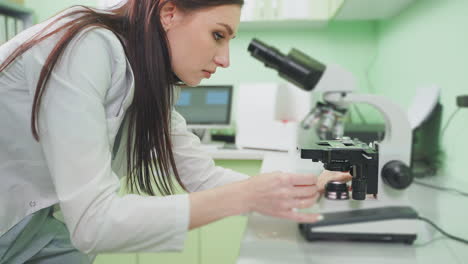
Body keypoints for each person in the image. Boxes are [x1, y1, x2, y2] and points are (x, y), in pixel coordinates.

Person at [0, 0, 351, 263]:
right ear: (169, 13)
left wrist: (305, 188)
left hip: (37, 230)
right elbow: (94, 223)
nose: (225, 59)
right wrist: (247, 196)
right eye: (218, 35)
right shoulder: (85, 47)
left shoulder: (151, 81)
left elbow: (203, 176)